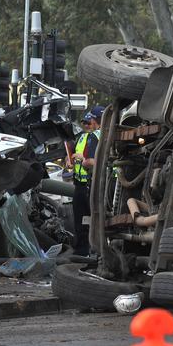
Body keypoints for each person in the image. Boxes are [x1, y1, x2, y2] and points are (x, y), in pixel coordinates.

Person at [70, 105, 104, 256]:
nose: (86, 124)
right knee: (85, 220)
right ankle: (85, 250)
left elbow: (92, 162)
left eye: (89, 121)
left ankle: (88, 251)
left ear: (95, 121)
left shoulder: (95, 136)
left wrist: (83, 160)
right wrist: (70, 159)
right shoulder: (85, 137)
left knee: (87, 220)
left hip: (90, 186)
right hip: (82, 185)